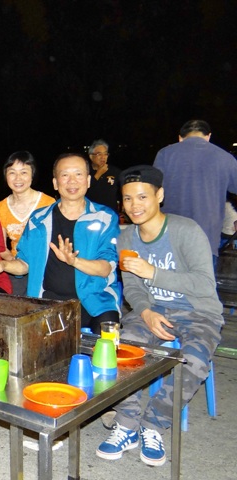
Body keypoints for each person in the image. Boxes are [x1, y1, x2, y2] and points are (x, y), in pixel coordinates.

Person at [96, 165, 223, 467]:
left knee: (193, 361)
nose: (134, 206)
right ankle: (126, 424)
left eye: (142, 197)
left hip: (197, 312)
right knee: (116, 349)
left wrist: (154, 272)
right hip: (152, 311)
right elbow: (132, 289)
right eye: (128, 199)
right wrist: (146, 312)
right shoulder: (127, 239)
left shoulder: (186, 231)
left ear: (160, 195)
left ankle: (153, 425)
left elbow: (205, 284)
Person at [0, 153, 120, 333]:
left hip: (96, 303)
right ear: (55, 183)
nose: (72, 181)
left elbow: (106, 268)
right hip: (48, 303)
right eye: (65, 175)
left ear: (88, 180)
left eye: (78, 174)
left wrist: (74, 261)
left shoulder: (105, 217)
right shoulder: (38, 219)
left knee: (107, 343)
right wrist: (3, 265)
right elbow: (25, 264)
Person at [154, 119, 237, 261]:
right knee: (203, 275)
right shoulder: (225, 158)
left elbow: (151, 190)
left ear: (180, 138)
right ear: (208, 136)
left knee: (167, 275)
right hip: (207, 238)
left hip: (169, 235)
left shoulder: (165, 154)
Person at [0, 151, 55, 295]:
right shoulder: (1, 208)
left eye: (24, 172)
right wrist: (14, 261)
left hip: (44, 267)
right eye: (12, 172)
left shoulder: (48, 203)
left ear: (32, 174)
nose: (18, 178)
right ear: (6, 175)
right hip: (17, 269)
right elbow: (1, 247)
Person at [87, 139, 121, 212]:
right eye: (99, 154)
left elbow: (122, 190)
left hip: (111, 213)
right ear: (91, 156)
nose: (103, 157)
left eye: (105, 154)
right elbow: (85, 189)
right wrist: (98, 173)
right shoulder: (85, 171)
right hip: (91, 213)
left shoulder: (115, 171)